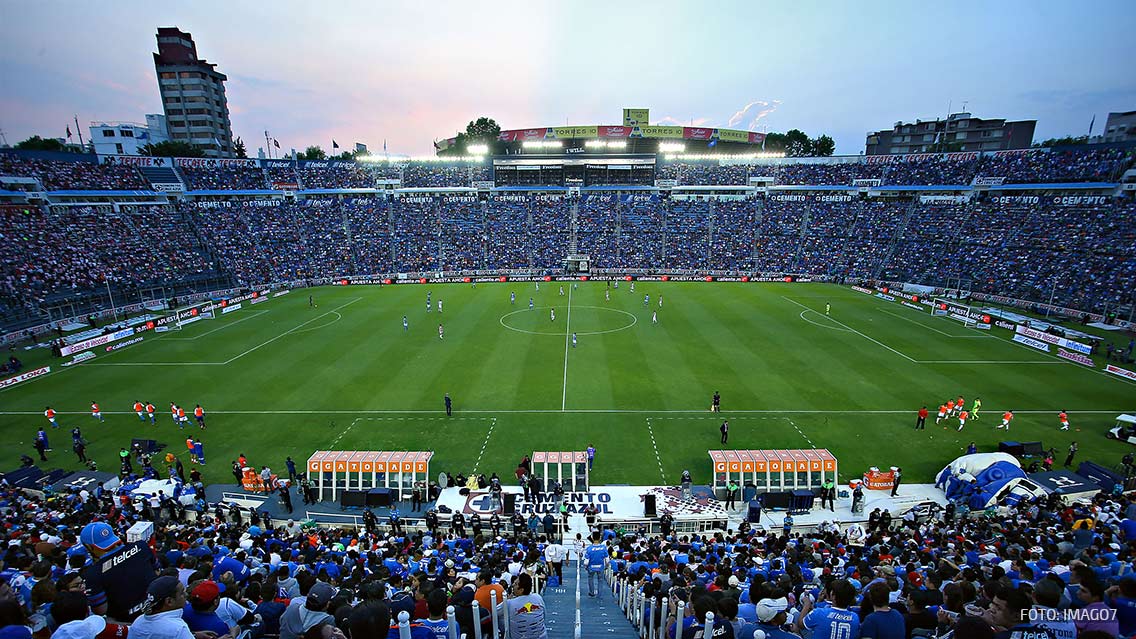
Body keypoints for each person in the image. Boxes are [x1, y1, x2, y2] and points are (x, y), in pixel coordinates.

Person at [81, 522, 158, 623]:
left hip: (129, 622)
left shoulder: (93, 573)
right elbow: (157, 572)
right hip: (157, 608)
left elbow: (100, 611)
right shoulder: (141, 546)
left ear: (89, 547)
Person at [127, 576, 194, 639]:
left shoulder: (138, 621)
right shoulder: (179, 629)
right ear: (169, 601)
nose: (186, 594)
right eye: (182, 593)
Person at [506, 573, 548, 639]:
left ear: (521, 589)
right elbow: (544, 616)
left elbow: (495, 612)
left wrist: (510, 597)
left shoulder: (509, 603)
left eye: (516, 584)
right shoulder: (538, 597)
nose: (513, 585)